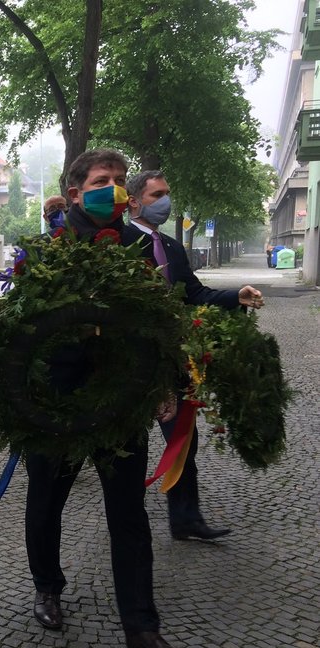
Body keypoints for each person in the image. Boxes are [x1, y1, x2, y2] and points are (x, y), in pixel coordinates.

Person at [24, 148, 188, 648]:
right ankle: (48, 586)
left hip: (120, 402)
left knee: (129, 515)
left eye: (120, 180)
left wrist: (164, 381)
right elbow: (26, 332)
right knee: (48, 503)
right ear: (74, 191)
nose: (115, 188)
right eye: (103, 180)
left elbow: (157, 321)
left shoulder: (141, 246)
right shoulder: (46, 249)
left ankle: (141, 628)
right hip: (59, 403)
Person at [123, 170, 264, 541]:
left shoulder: (171, 246)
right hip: (129, 364)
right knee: (125, 447)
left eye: (168, 193)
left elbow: (194, 295)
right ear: (134, 201)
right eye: (158, 195)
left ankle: (186, 519)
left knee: (184, 439)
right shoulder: (117, 242)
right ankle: (124, 521)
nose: (166, 201)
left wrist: (237, 296)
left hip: (173, 360)